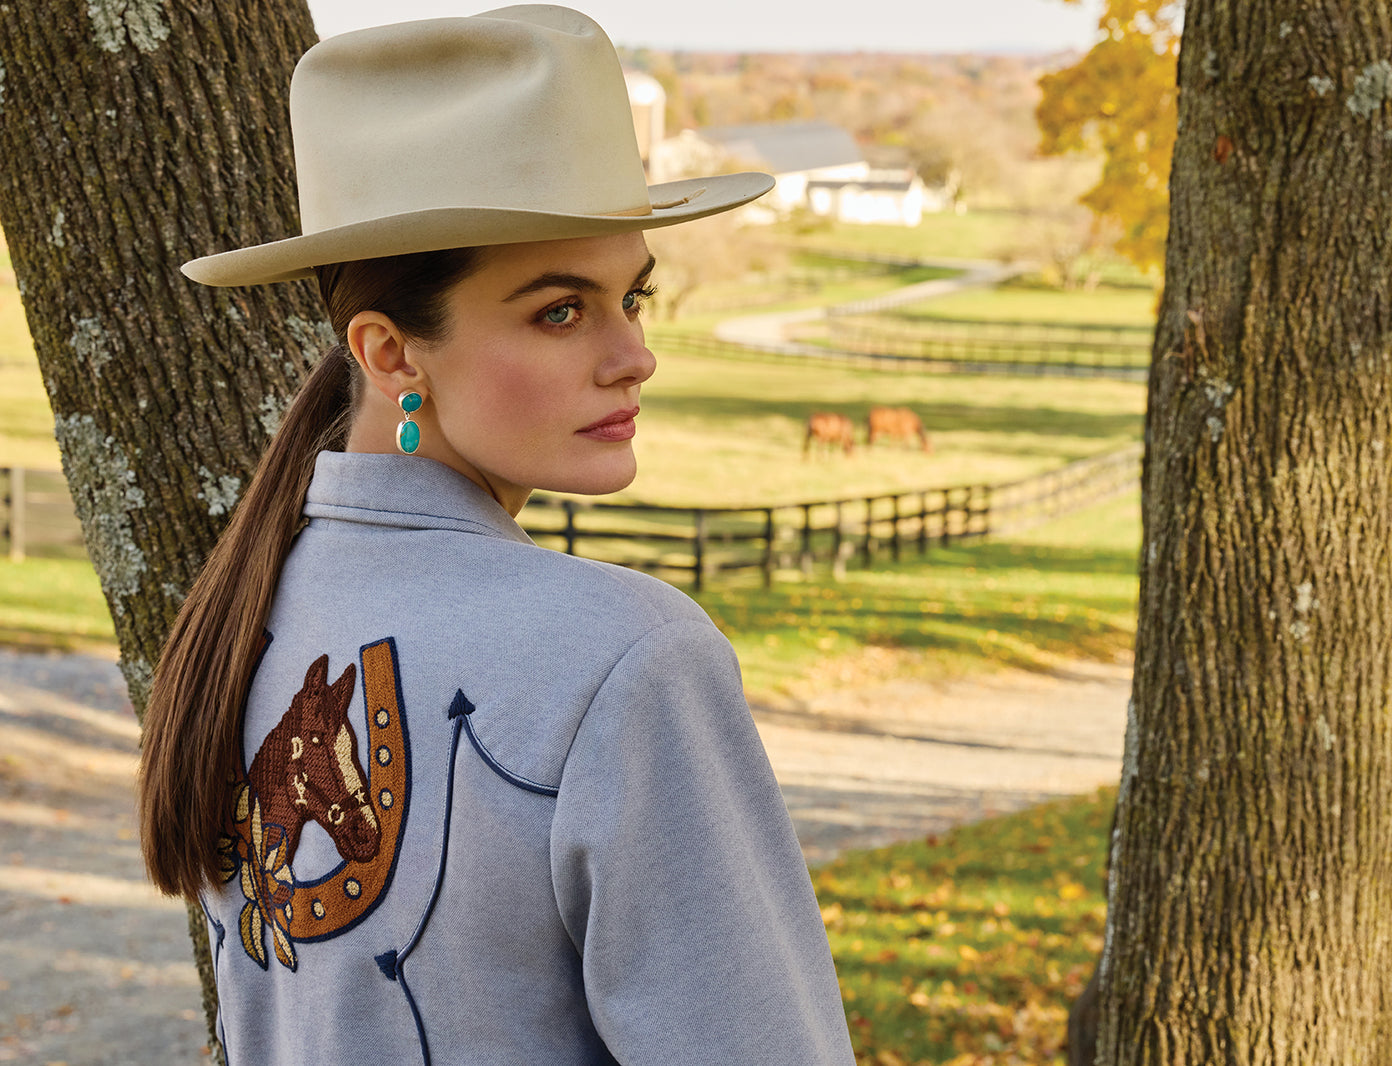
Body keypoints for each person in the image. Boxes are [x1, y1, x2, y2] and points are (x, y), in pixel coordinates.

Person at [136, 7, 855, 1063]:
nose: (632, 357)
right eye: (560, 311)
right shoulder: (628, 656)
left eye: (632, 298)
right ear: (389, 355)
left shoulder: (245, 615)